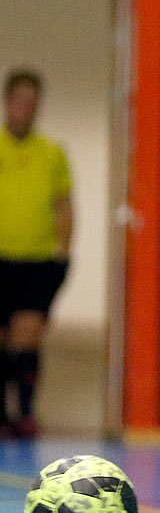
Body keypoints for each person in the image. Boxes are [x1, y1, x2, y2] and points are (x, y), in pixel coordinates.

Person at [0, 70, 72, 439]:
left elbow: (64, 205)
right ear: (6, 102)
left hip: (38, 261)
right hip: (1, 258)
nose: (25, 108)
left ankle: (25, 413)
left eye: (32, 101)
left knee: (27, 337)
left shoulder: (52, 153)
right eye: (18, 100)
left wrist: (63, 254)